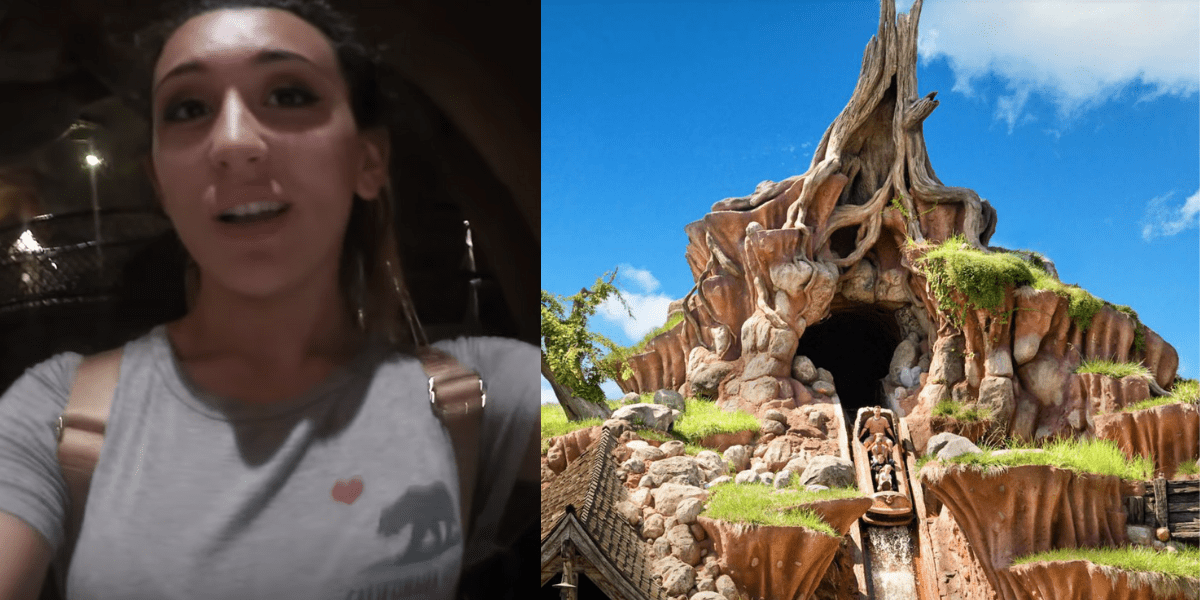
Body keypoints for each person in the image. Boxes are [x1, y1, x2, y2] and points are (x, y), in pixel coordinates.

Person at [0, 2, 539, 599]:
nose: (233, 142)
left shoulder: (481, 388)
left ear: (367, 161)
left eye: (288, 95)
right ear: (160, 182)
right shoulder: (54, 412)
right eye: (188, 109)